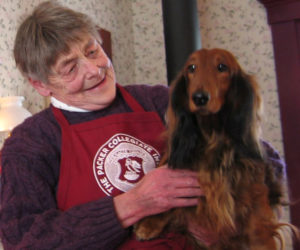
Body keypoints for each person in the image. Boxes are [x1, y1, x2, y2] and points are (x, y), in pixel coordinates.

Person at [0, 1, 285, 250]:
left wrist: (227, 216)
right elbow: (25, 241)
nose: (94, 69)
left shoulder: (158, 100)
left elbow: (268, 161)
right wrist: (132, 204)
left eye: (92, 51)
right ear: (41, 85)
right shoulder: (30, 144)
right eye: (70, 68)